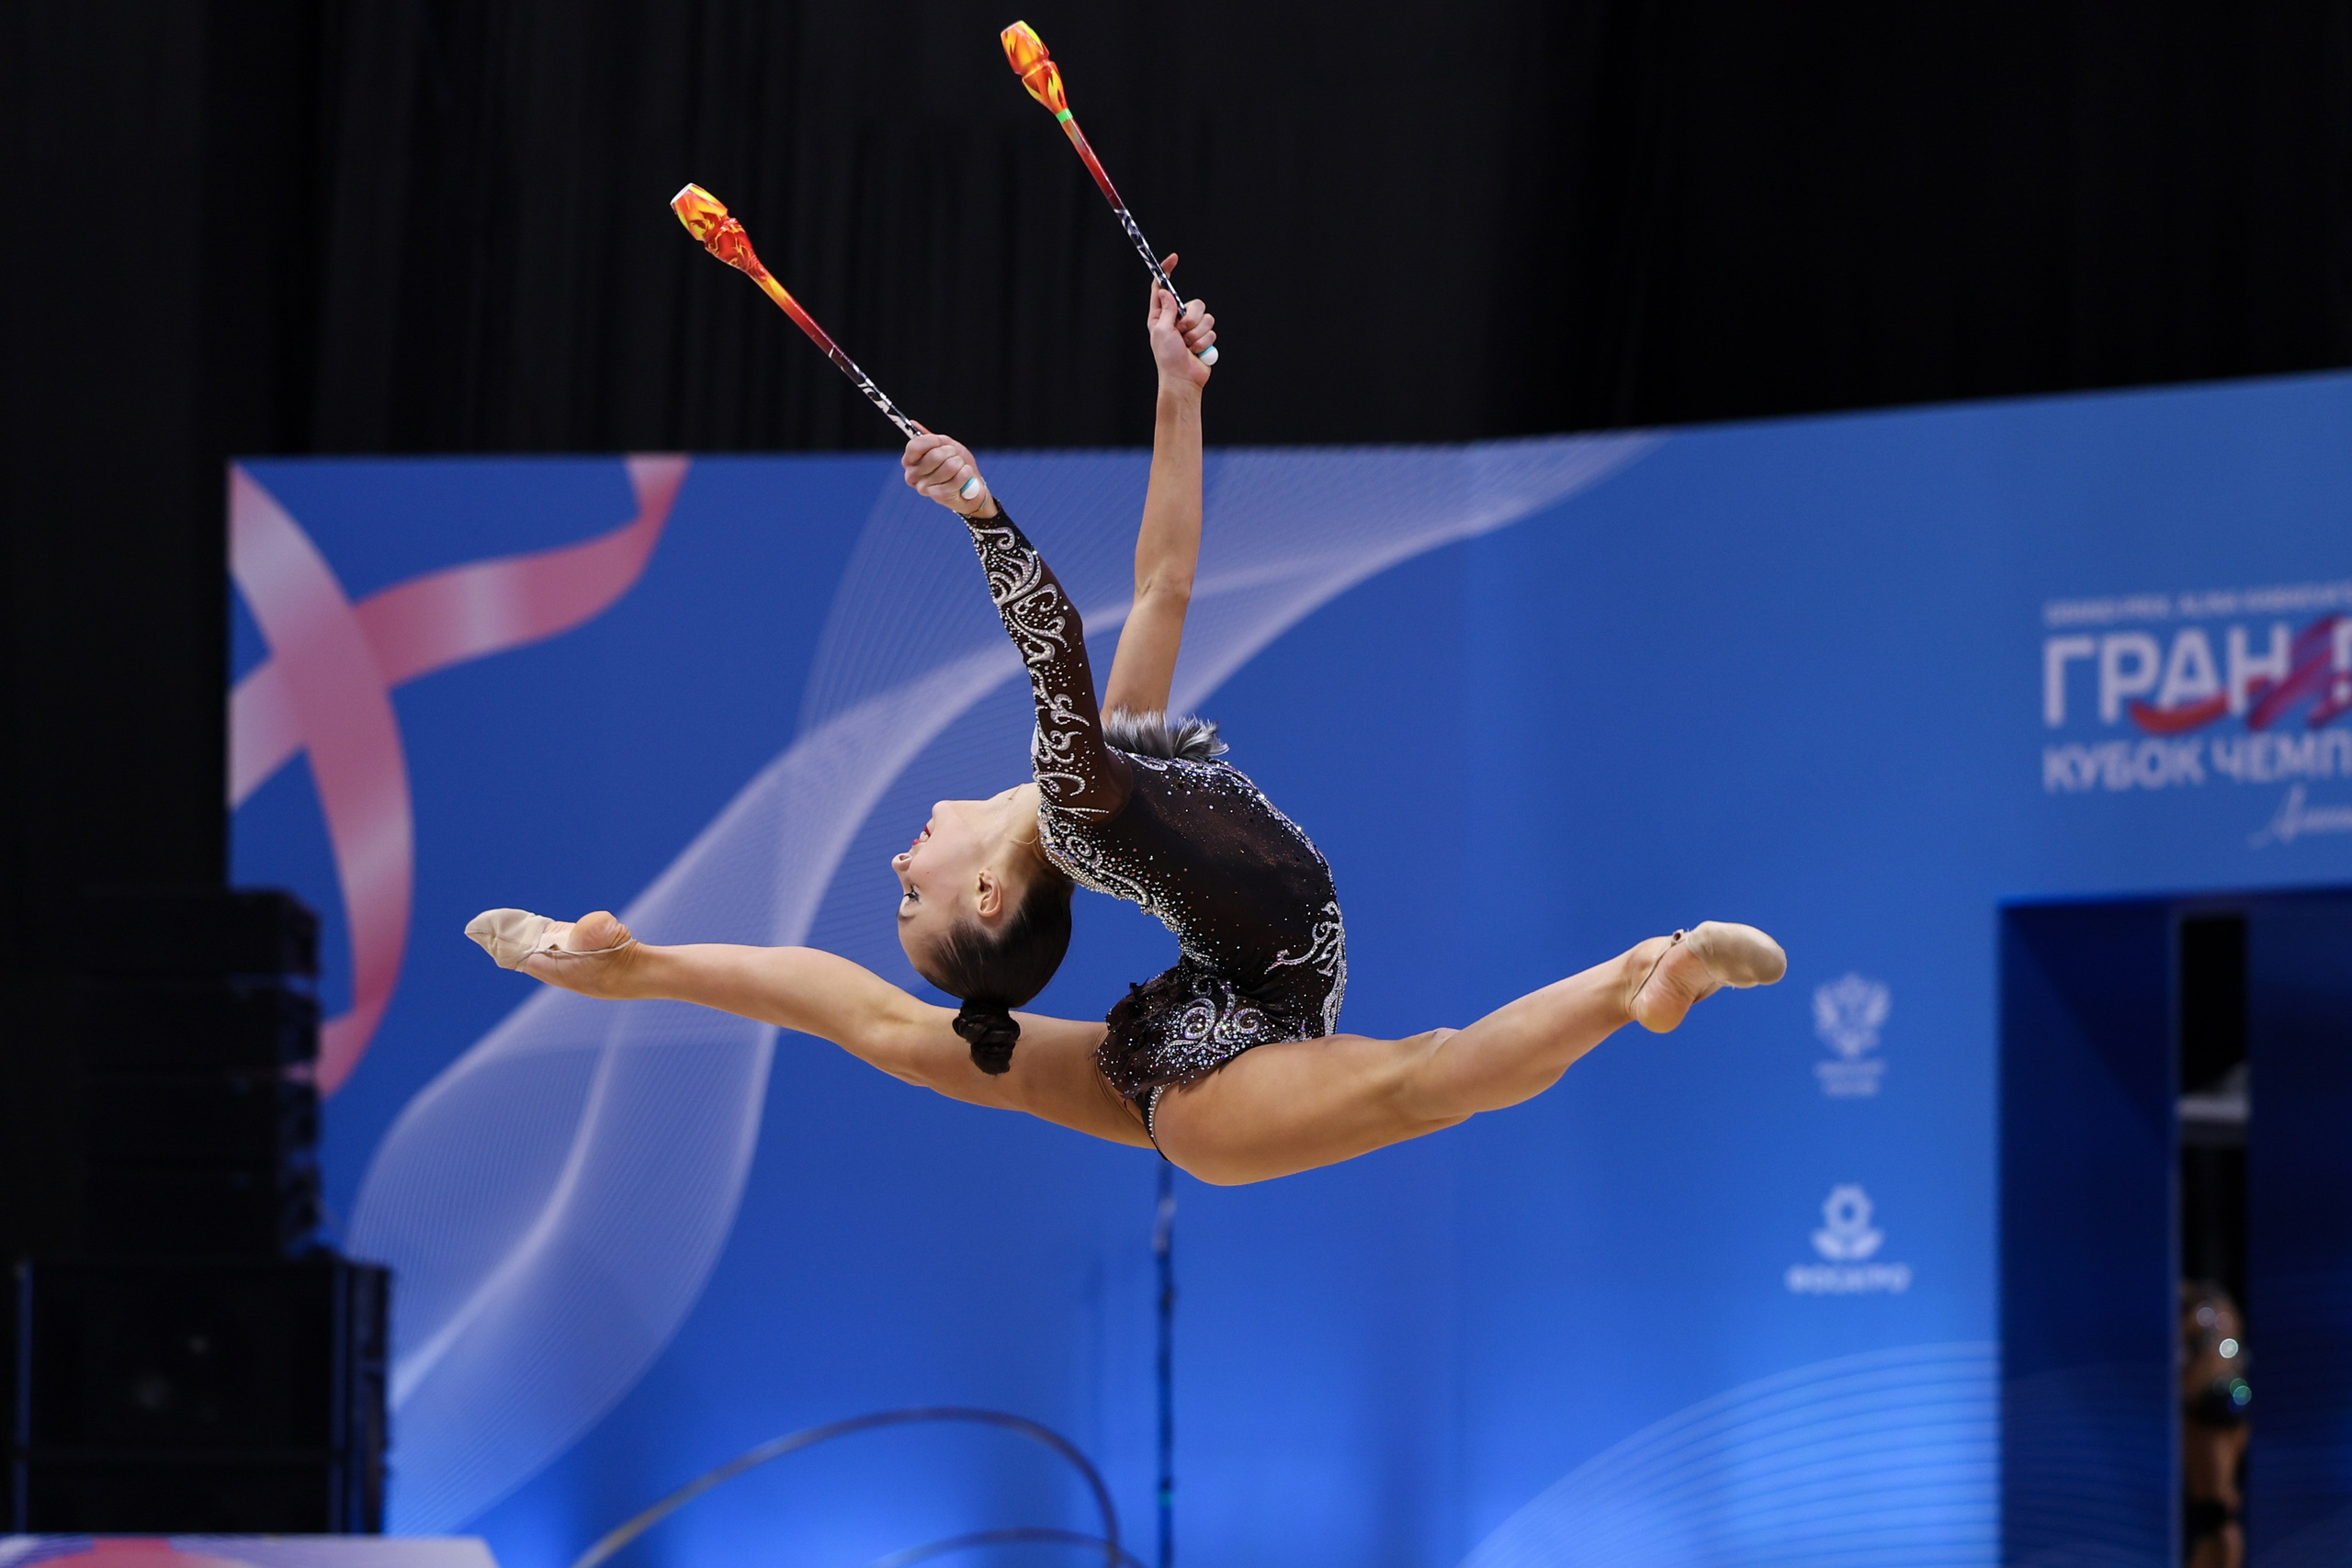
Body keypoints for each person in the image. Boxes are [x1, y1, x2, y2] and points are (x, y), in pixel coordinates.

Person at [468, 272, 1787, 1185]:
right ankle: (1641, 975)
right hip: (1221, 1079)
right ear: (990, 896)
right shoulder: (1080, 795)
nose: (897, 862)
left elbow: (1160, 583)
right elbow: (1055, 645)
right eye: (915, 896)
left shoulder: (1109, 782)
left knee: (897, 1040)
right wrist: (980, 514)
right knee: (1421, 1079)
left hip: (1212, 1016)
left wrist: (1177, 388)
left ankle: (626, 977)